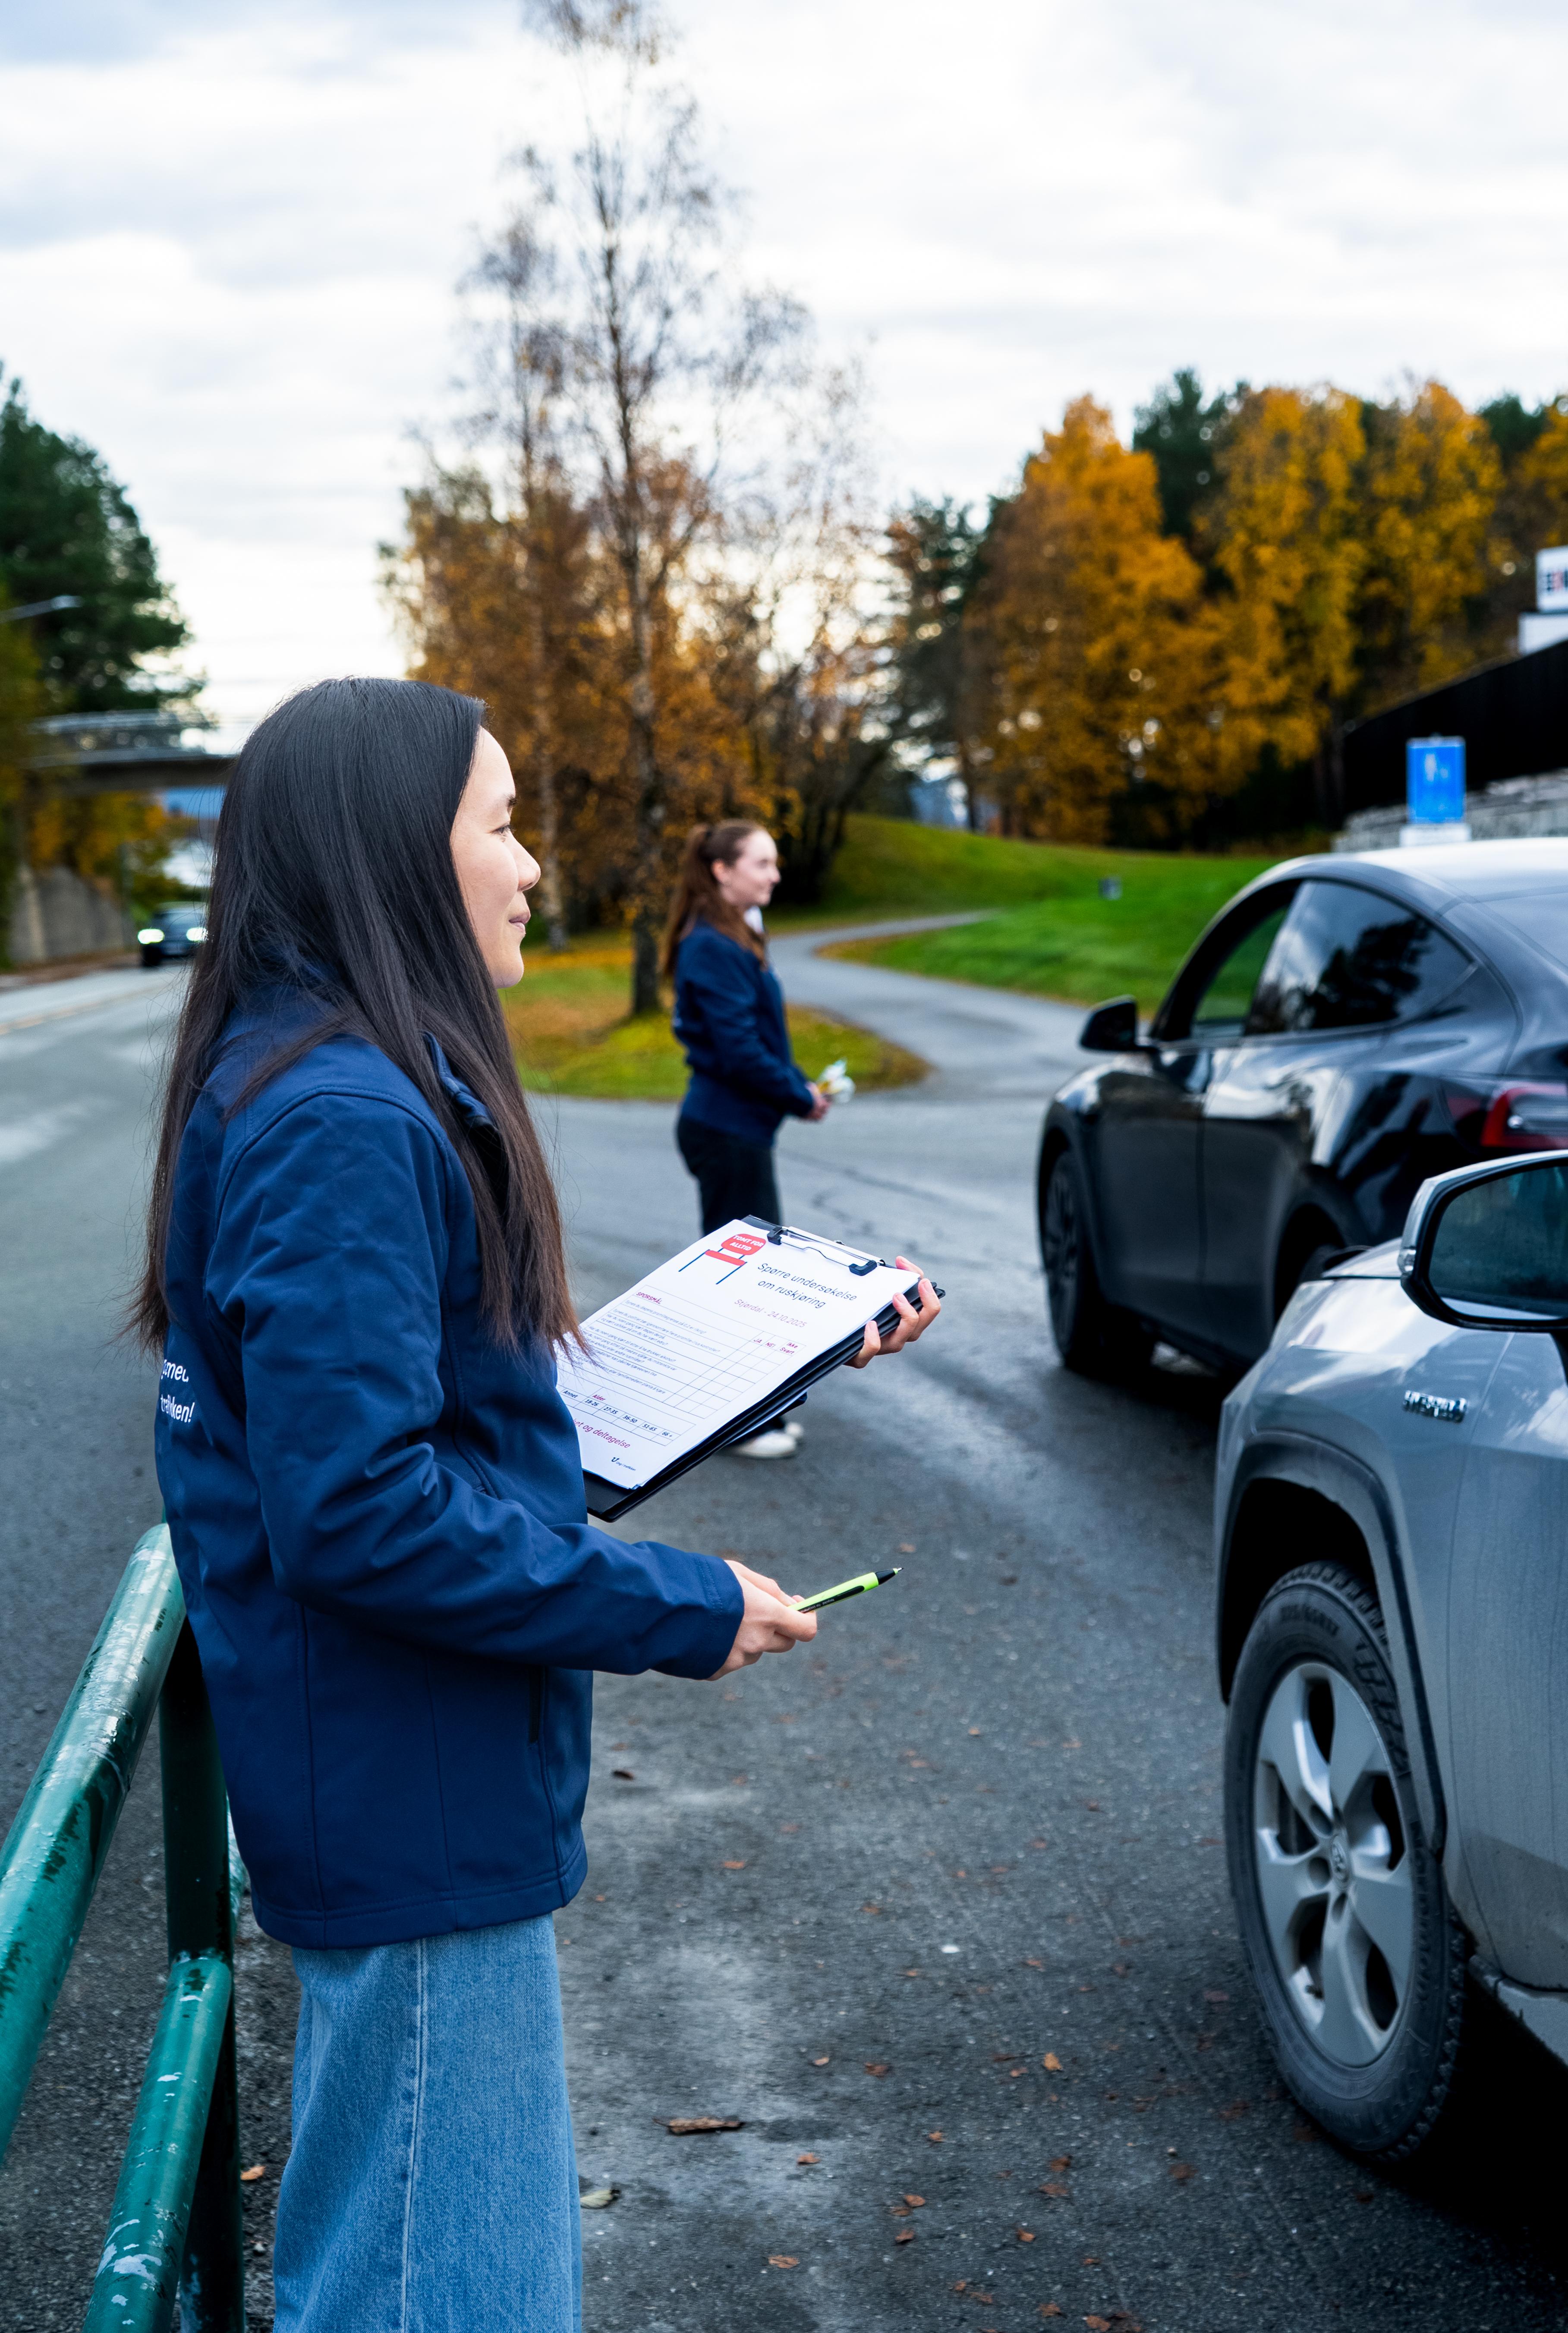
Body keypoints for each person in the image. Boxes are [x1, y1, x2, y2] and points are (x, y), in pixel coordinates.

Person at [134, 679, 939, 2333]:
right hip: (414, 1795)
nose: (528, 865)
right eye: (498, 823)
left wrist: (764, 1356)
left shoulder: (314, 1071)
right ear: (390, 856)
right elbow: (356, 1504)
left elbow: (441, 1436)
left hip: (396, 1778)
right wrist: (682, 1604)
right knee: (448, 2291)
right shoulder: (348, 1111)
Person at [662, 821, 838, 1455]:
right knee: (744, 1284)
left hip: (736, 1128)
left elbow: (760, 1041)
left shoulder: (736, 933)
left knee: (749, 1275)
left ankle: (752, 1411)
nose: (774, 874)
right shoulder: (710, 944)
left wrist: (800, 1088)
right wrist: (796, 1095)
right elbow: (738, 1053)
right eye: (761, 863)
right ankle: (738, 1423)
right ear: (721, 870)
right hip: (724, 1130)